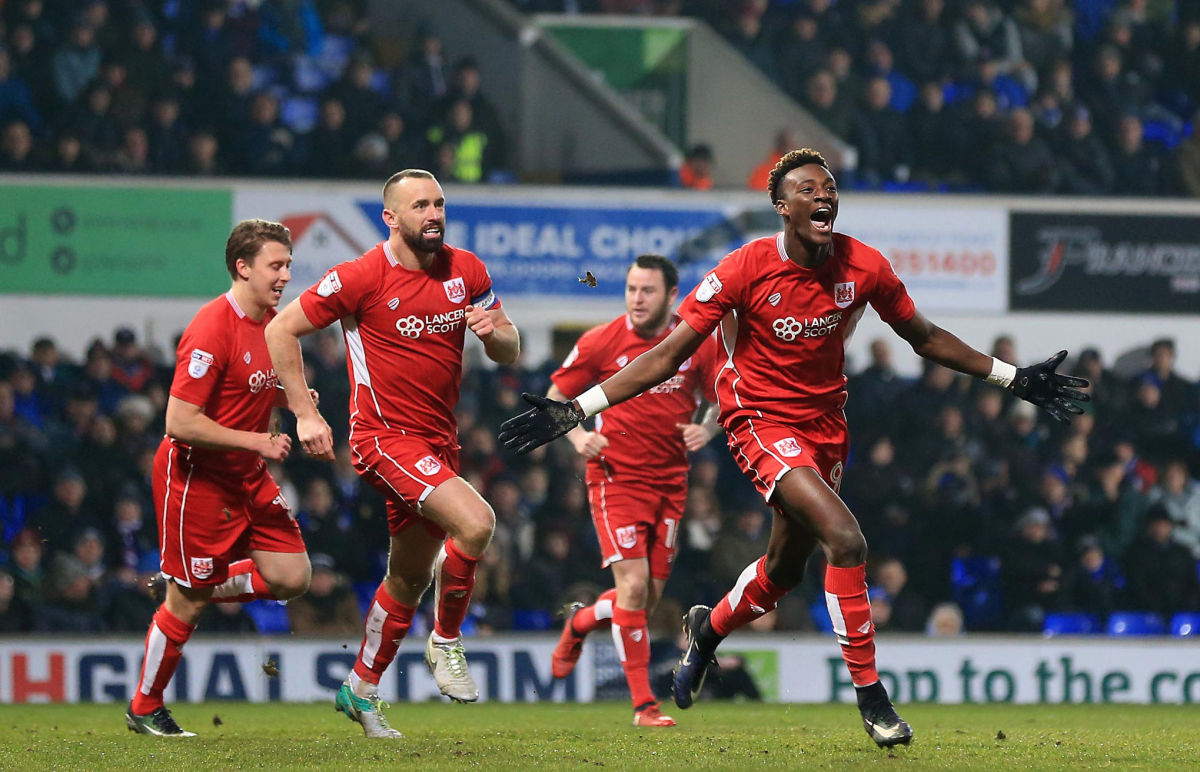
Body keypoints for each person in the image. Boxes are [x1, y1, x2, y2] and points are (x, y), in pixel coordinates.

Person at [500, 147, 1090, 749]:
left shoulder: (864, 266)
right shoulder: (742, 268)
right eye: (807, 189)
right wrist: (578, 408)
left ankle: (706, 631)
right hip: (756, 419)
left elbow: (926, 336)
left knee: (784, 570)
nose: (823, 196)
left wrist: (1012, 378)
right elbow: (667, 355)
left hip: (826, 427)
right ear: (783, 208)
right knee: (847, 538)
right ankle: (872, 698)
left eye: (828, 187)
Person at [264, 169, 520, 739]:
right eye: (420, 206)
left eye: (439, 204)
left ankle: (360, 687)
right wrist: (305, 412)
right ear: (392, 217)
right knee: (477, 523)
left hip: (436, 443)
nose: (433, 214)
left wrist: (491, 332)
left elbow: (509, 346)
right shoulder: (360, 276)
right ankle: (448, 641)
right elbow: (281, 330)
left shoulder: (467, 270)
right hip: (381, 438)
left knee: (407, 577)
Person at [127, 219, 314, 737]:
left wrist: (285, 401)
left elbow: (250, 387)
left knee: (292, 577)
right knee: (188, 602)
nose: (285, 275)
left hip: (245, 475)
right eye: (276, 265)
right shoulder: (212, 327)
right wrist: (257, 440)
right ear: (243, 267)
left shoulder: (274, 325)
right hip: (197, 479)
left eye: (288, 265)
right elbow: (179, 421)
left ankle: (189, 579)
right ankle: (145, 707)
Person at [545, 254, 720, 728]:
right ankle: (644, 706)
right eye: (630, 289)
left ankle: (580, 622)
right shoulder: (600, 341)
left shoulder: (693, 342)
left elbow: (722, 395)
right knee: (634, 586)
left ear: (670, 296)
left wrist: (706, 426)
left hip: (671, 483)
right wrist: (580, 437)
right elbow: (556, 398)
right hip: (615, 478)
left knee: (643, 603)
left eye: (647, 291)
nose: (636, 299)